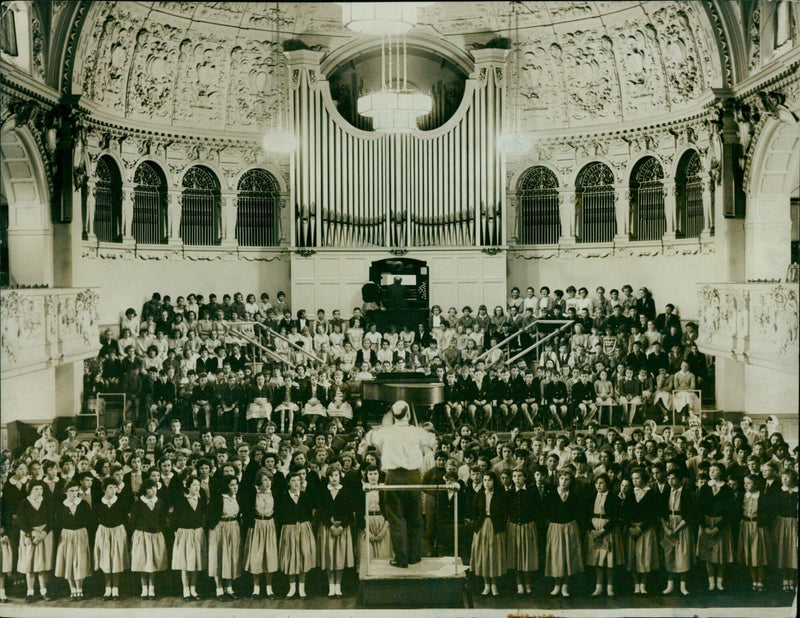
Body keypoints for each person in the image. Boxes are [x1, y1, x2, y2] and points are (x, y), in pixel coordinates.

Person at [364, 400, 437, 568]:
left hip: (394, 477)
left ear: (393, 414)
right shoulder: (417, 432)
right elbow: (432, 440)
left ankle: (401, 557)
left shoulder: (385, 432)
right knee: (414, 517)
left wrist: (385, 426)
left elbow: (369, 438)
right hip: (413, 477)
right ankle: (414, 555)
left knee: (396, 518)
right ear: (408, 414)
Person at [316, 462, 355, 597]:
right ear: (328, 477)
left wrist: (341, 525)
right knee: (329, 558)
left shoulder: (346, 491)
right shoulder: (322, 491)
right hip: (328, 529)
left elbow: (350, 513)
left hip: (342, 530)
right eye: (332, 476)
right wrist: (330, 524)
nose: (334, 478)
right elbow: (320, 512)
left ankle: (338, 585)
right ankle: (330, 585)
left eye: (336, 475)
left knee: (339, 558)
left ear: (340, 476)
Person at [543, 468, 584, 597]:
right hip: (555, 528)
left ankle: (565, 585)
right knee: (556, 557)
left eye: (567, 479)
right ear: (558, 480)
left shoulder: (575, 495)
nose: (564, 481)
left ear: (570, 481)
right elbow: (546, 511)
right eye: (561, 479)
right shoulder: (550, 494)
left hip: (570, 528)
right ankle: (557, 585)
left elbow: (578, 513)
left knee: (568, 556)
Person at [276, 470, 316, 598]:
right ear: (288, 483)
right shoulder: (283, 496)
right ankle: (292, 587)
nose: (296, 483)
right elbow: (280, 514)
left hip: (303, 529)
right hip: (289, 529)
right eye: (293, 481)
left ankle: (302, 587)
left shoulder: (306, 496)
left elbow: (310, 513)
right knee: (290, 557)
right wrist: (291, 524)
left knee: (303, 556)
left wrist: (303, 523)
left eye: (298, 480)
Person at [695, 462, 734, 592]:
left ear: (721, 472)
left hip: (721, 525)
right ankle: (711, 581)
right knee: (708, 554)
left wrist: (718, 527)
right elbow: (699, 509)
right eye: (710, 470)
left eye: (715, 470)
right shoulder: (704, 488)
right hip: (706, 523)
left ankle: (719, 581)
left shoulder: (727, 489)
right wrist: (705, 526)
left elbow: (729, 511)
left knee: (721, 554)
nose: (711, 472)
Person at [242, 469, 278, 598]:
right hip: (257, 526)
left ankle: (269, 588)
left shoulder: (274, 493)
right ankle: (256, 588)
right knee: (256, 557)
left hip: (270, 526)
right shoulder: (253, 493)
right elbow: (247, 510)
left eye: (269, 480)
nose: (267, 483)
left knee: (269, 556)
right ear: (259, 481)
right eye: (264, 480)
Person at [130, 478, 168, 599]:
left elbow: (162, 520)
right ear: (145, 490)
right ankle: (144, 588)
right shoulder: (138, 503)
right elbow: (133, 521)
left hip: (155, 535)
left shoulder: (160, 503)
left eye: (155, 487)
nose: (153, 490)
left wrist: (158, 531)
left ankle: (152, 588)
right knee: (143, 563)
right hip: (142, 535)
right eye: (150, 488)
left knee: (153, 563)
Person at [54, 481, 93, 600]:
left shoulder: (84, 504)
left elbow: (89, 521)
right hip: (66, 535)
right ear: (66, 492)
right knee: (68, 562)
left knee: (80, 562)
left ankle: (80, 589)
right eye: (71, 491)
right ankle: (73, 590)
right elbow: (58, 523)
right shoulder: (61, 505)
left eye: (76, 490)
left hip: (81, 534)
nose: (74, 493)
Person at [16, 481, 54, 602]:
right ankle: (30, 592)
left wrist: (43, 534)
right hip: (28, 534)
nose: (39, 491)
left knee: (41, 564)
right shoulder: (23, 503)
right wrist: (31, 533)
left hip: (44, 534)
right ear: (30, 490)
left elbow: (52, 520)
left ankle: (44, 591)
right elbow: (21, 521)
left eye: (41, 489)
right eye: (36, 489)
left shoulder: (47, 502)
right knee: (30, 564)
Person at [471, 471, 507, 597]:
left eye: (489, 480)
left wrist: (500, 525)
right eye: (485, 480)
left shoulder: (500, 495)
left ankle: (494, 585)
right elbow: (474, 512)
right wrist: (477, 524)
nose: (487, 483)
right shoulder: (479, 495)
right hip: (482, 526)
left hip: (495, 526)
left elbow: (504, 512)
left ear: (494, 481)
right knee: (484, 555)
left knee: (494, 555)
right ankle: (486, 585)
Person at [624, 467, 660, 595]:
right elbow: (625, 513)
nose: (635, 481)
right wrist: (630, 527)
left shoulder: (651, 493)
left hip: (646, 529)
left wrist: (641, 528)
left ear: (643, 478)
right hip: (632, 529)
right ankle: (636, 584)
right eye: (633, 478)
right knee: (633, 557)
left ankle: (643, 584)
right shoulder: (630, 492)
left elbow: (653, 514)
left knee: (645, 556)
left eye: (637, 478)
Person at [586, 473, 622, 598]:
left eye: (601, 483)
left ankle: (610, 587)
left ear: (607, 483)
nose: (598, 485)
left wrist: (603, 530)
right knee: (598, 560)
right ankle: (599, 586)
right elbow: (586, 515)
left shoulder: (614, 498)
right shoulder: (590, 497)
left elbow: (615, 518)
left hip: (608, 531)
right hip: (594, 529)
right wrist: (592, 530)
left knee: (609, 560)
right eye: (596, 483)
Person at [171, 475, 207, 601]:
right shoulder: (181, 500)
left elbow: (204, 516)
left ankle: (193, 589)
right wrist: (178, 533)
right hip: (184, 533)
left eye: (198, 485)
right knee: (185, 563)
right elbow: (174, 519)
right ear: (188, 486)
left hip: (197, 533)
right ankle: (185, 590)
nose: (197, 487)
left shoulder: (201, 500)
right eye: (194, 485)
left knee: (195, 562)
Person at [661, 468, 693, 596]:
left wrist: (677, 529)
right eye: (668, 478)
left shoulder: (686, 492)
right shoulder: (667, 491)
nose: (670, 481)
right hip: (669, 524)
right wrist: (666, 528)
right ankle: (670, 585)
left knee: (682, 556)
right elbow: (661, 511)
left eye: (673, 478)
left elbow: (690, 515)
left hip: (682, 526)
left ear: (680, 480)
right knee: (669, 554)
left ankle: (683, 586)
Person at [506, 468, 538, 595]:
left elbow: (536, 511)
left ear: (525, 478)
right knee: (516, 557)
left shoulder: (531, 493)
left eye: (520, 476)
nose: (517, 478)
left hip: (528, 527)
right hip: (514, 527)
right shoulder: (509, 494)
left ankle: (528, 584)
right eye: (514, 476)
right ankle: (519, 584)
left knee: (527, 557)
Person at [737, 473, 768, 593]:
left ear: (755, 484)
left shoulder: (762, 496)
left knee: (758, 555)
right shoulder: (743, 495)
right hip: (746, 526)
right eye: (744, 483)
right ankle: (753, 580)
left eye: (748, 483)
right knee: (749, 555)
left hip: (757, 526)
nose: (745, 485)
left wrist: (761, 524)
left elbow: (766, 512)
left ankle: (761, 581)